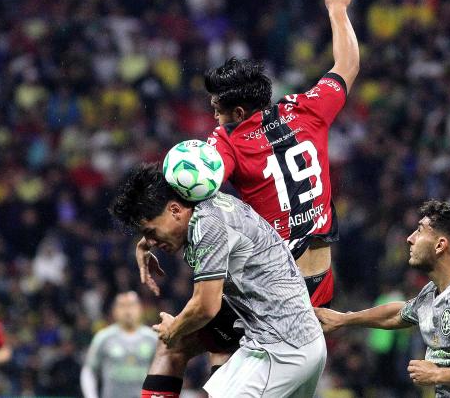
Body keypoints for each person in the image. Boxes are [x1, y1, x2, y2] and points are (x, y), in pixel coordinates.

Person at [203, 0, 359, 309]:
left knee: (187, 343)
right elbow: (348, 65)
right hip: (321, 279)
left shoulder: (227, 140)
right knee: (309, 355)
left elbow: (203, 184)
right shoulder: (307, 108)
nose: (216, 119)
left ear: (238, 114)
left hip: (276, 284)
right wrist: (337, 10)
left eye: (218, 111)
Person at [110, 164, 326, 398]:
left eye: (151, 232)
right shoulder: (207, 205)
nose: (151, 241)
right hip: (294, 337)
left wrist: (172, 330)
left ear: (174, 210)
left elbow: (205, 306)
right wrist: (146, 240)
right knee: (179, 344)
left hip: (281, 350)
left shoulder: (208, 227)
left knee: (175, 338)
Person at [315, 201, 450, 397]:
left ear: (440, 245)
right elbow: (398, 314)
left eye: (419, 230)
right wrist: (345, 319)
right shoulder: (432, 291)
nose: (410, 238)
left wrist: (438, 375)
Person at [81, 291, 157, 398]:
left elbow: (163, 371)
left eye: (131, 305)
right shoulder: (103, 337)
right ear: (114, 311)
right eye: (122, 306)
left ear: (140, 309)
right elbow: (89, 370)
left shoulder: (152, 338)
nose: (127, 311)